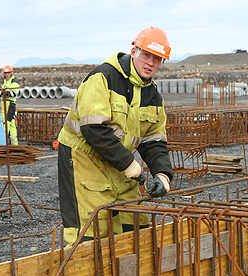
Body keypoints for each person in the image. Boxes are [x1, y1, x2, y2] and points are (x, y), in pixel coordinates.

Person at [57, 26, 173, 246]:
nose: (151, 63)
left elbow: (153, 140)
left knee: (134, 224)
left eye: (157, 59)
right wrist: (129, 164)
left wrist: (163, 174)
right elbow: (93, 128)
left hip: (117, 160)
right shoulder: (104, 77)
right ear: (134, 51)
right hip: (84, 158)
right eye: (146, 55)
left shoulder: (153, 96)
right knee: (92, 227)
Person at [0, 65, 19, 145]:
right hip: (5, 105)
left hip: (10, 105)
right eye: (5, 73)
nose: (6, 74)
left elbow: (14, 93)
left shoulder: (14, 83)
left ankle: (4, 143)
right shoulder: (5, 83)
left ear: (11, 73)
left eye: (8, 73)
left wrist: (2, 93)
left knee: (6, 123)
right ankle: (14, 144)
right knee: (12, 124)